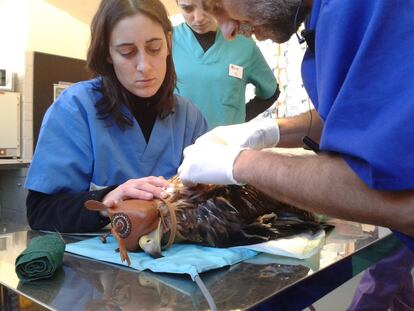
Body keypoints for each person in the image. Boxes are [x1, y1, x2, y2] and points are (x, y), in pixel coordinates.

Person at [178, 0, 414, 309]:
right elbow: (361, 116)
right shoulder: (326, 19)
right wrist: (269, 131)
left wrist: (243, 164)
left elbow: (404, 202)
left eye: (218, 5)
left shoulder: (364, 8)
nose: (227, 28)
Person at [24, 0, 208, 233]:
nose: (145, 66)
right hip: (96, 267)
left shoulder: (190, 118)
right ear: (108, 53)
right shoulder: (75, 109)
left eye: (154, 48)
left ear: (169, 43)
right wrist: (107, 200)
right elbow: (40, 211)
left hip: (178, 261)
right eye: (127, 52)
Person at [172, 0, 279, 128]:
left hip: (226, 146)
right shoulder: (166, 42)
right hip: (178, 145)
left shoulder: (243, 44)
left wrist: (239, 120)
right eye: (188, 8)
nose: (198, 18)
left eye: (207, 7)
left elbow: (270, 92)